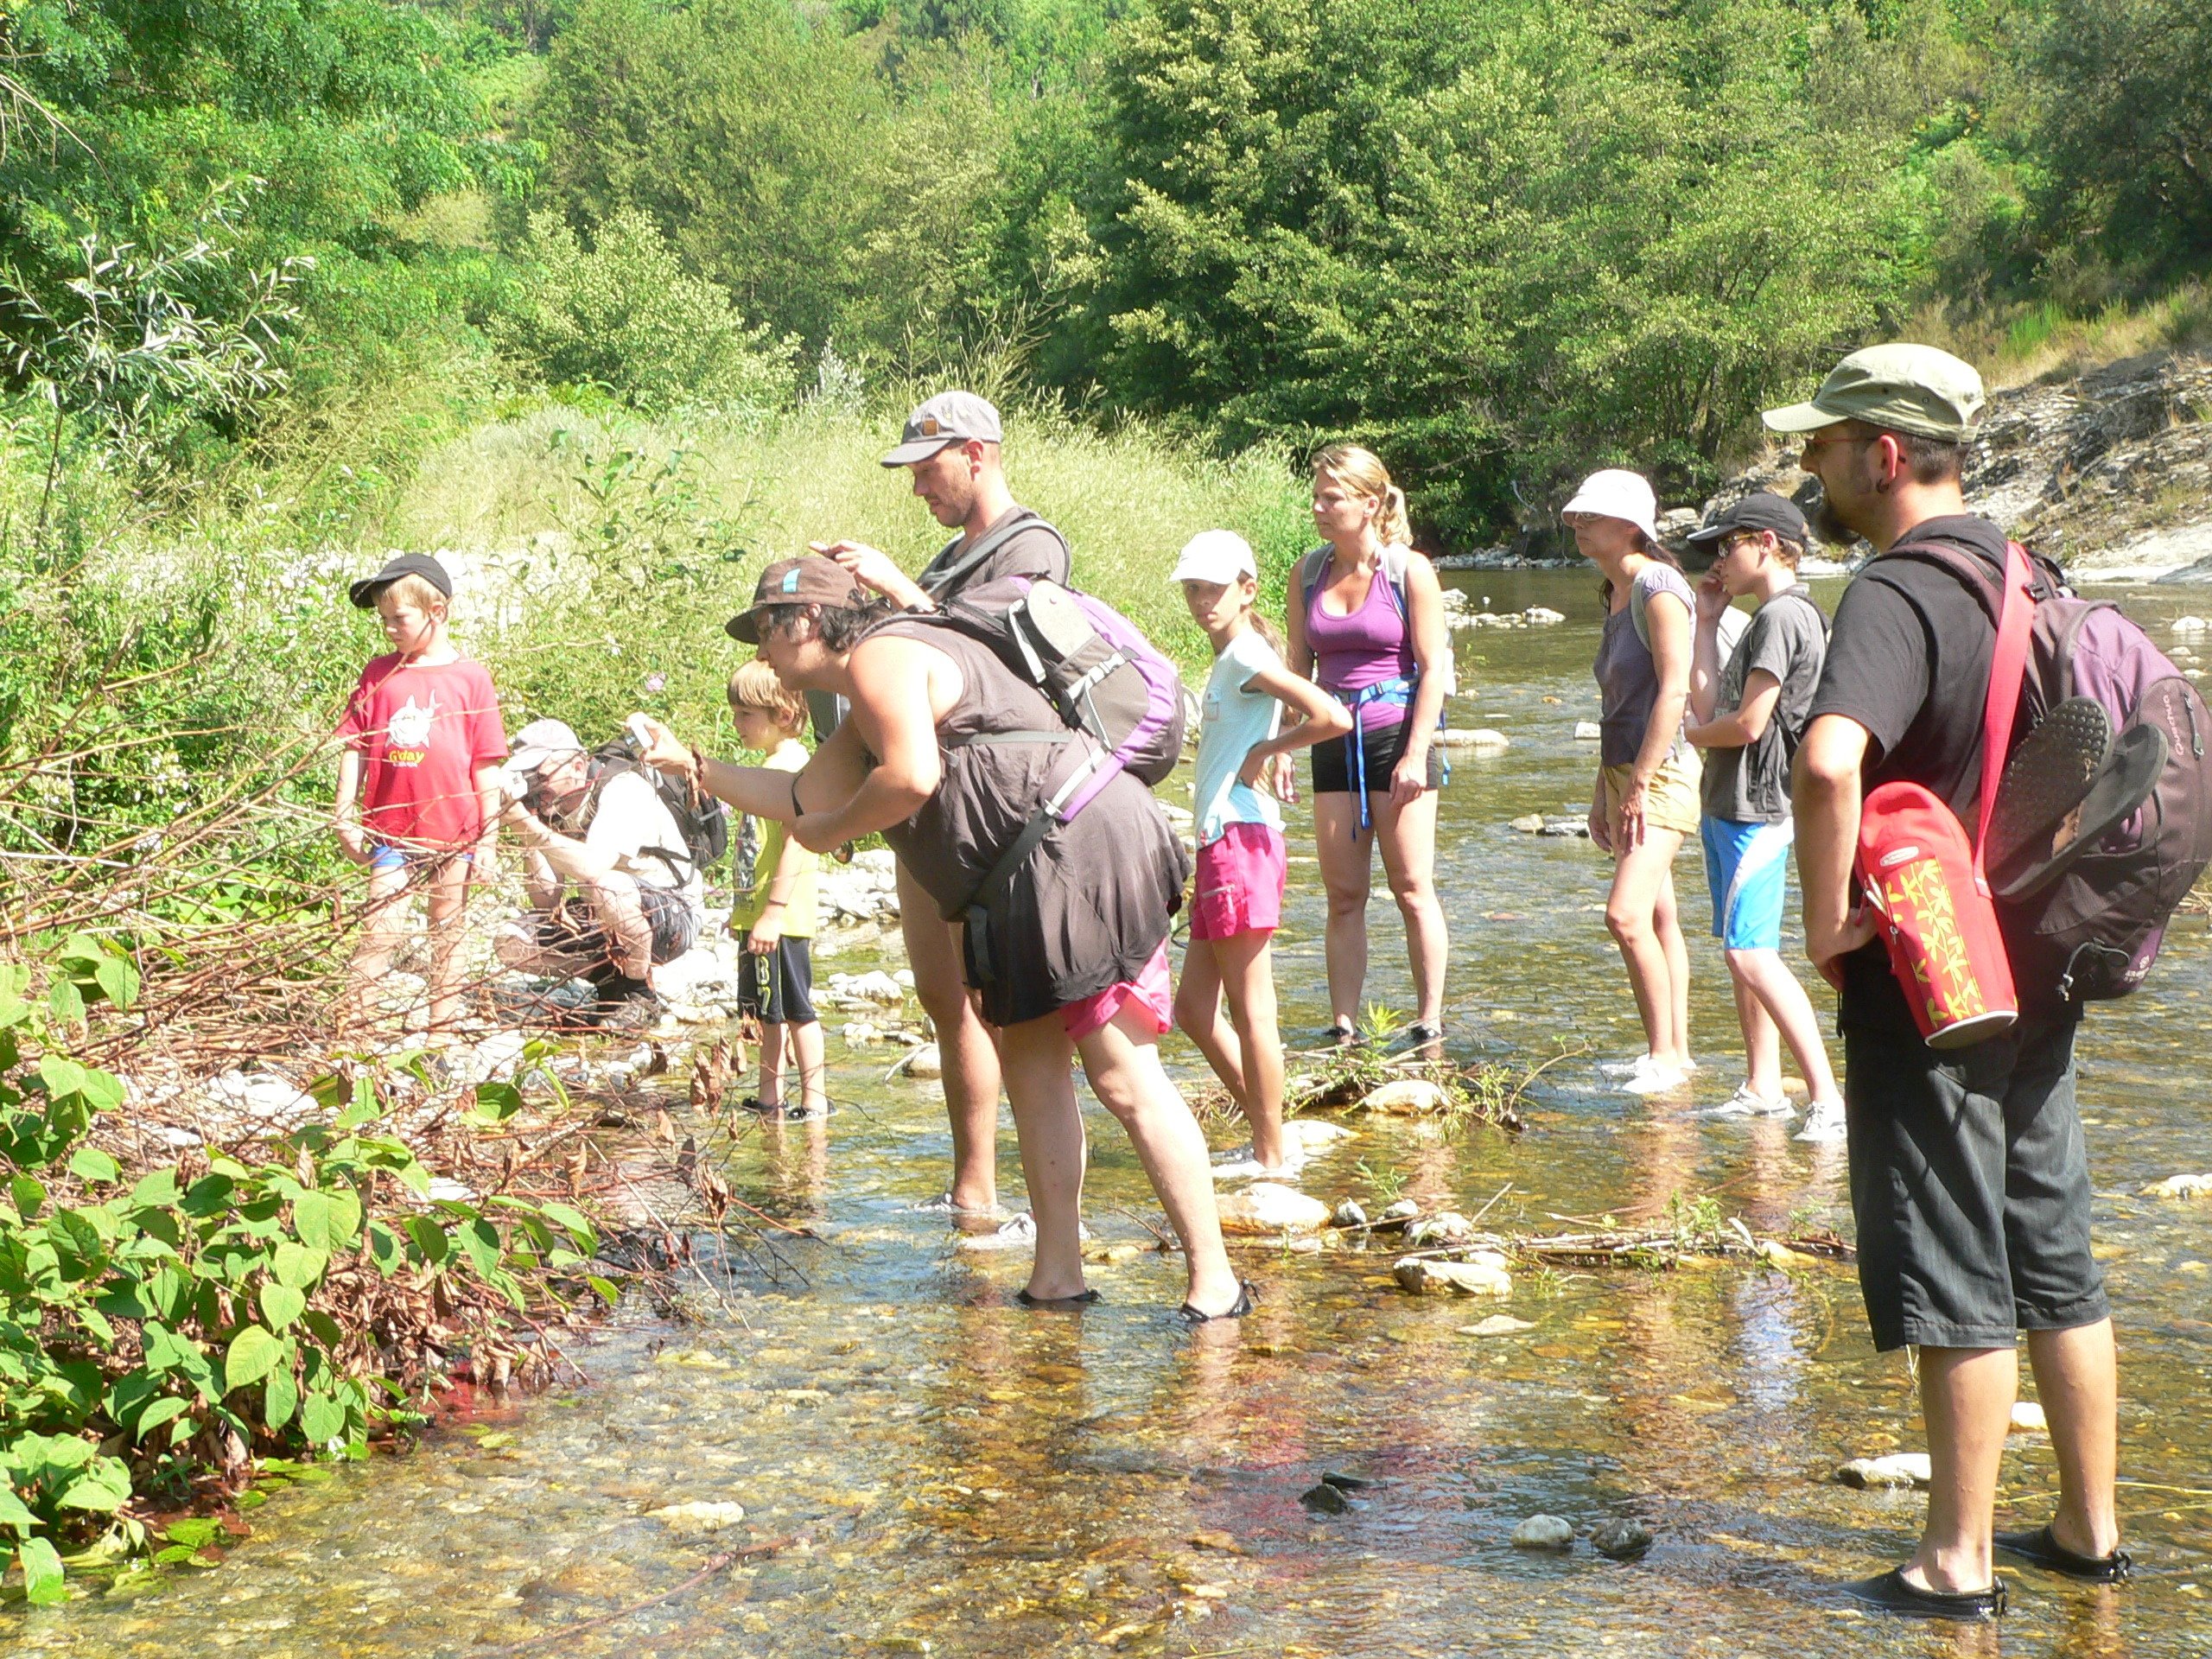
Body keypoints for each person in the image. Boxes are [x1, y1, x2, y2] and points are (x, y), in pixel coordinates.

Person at [637, 556, 1249, 1319]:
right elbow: (796, 794)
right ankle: (1057, 1273)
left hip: (1079, 851)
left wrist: (830, 832)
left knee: (1123, 1076)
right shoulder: (871, 692)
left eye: (765, 629)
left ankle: (1215, 1280)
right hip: (1019, 878)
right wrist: (690, 762)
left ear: (809, 622)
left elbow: (911, 778)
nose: (759, 652)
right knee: (1031, 1071)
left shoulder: (883, 656)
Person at [1782, 343, 2126, 1619]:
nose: (1804, 464)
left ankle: (1956, 1559)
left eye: (1821, 444)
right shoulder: (2027, 572)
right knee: (2054, 1246)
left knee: (1950, 1257)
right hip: (2041, 953)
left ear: (1883, 454)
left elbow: (1828, 765)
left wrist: (1824, 925)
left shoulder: (1894, 591)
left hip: (1931, 973)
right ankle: (2088, 1529)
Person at [799, 391, 1070, 1215]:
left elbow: (1007, 668)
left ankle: (1025, 1201)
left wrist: (895, 589)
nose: (919, 489)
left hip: (991, 817)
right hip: (924, 811)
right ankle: (973, 1188)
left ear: (978, 452)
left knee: (997, 1013)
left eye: (928, 468)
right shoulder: (949, 559)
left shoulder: (1035, 549)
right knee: (945, 1005)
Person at [1167, 531, 1352, 1179]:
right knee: (1191, 1008)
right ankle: (1269, 1127)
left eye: (1213, 589)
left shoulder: (1245, 653)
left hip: (1239, 840)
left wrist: (1266, 754)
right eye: (1192, 589)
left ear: (1247, 591)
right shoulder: (1233, 657)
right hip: (1224, 841)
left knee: (1252, 1011)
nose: (1200, 601)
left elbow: (1332, 716)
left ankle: (1271, 1156)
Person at [1682, 493, 1847, 1142]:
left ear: (1769, 544)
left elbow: (1747, 724)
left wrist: (1688, 737)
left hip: (1760, 807)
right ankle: (1762, 1088)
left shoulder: (1784, 616)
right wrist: (1705, 621)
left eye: (1729, 546)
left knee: (1752, 954)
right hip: (1729, 803)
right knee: (1738, 952)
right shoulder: (1762, 618)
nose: (1720, 560)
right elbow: (1711, 701)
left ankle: (1827, 1098)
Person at [1285, 443, 1451, 1049]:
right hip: (1331, 739)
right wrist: (1283, 745)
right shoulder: (1307, 573)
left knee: (1411, 888)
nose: (1319, 509)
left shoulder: (1409, 571)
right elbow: (1297, 670)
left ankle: (1429, 1019)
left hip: (1397, 734)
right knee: (1343, 894)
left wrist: (1414, 753)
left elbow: (1434, 669)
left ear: (1370, 504)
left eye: (1331, 498)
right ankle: (1344, 1026)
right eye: (1316, 497)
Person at [333, 554, 506, 1033]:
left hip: (455, 832)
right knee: (379, 927)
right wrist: (343, 813)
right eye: (383, 619)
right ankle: (352, 1027)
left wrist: (487, 843)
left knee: (447, 930)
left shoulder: (471, 678)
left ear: (437, 612)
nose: (389, 628)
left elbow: (485, 763)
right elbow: (356, 745)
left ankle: (441, 1030)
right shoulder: (379, 673)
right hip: (391, 829)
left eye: (399, 618)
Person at [1572, 470, 1701, 1093]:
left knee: (1624, 917)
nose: (1578, 524)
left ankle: (1663, 1060)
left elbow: (1674, 690)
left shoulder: (1658, 586)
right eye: (1576, 516)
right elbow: (1616, 702)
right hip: (1627, 769)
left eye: (1590, 517)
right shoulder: (1614, 590)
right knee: (1658, 917)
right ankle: (1676, 1051)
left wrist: (1640, 784)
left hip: (1664, 771)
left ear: (1631, 527)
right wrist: (1604, 789)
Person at [495, 719, 705, 1031]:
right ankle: (609, 985)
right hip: (610, 918)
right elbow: (545, 898)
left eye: (541, 776)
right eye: (529, 778)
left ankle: (639, 995)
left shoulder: (622, 788)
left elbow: (594, 867)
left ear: (578, 766)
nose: (537, 786)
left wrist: (529, 828)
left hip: (671, 914)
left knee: (607, 885)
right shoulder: (553, 808)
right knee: (510, 940)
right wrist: (530, 826)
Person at [726, 660, 826, 1120]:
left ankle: (815, 1099)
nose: (737, 724)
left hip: (781, 917)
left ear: (782, 715)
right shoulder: (769, 765)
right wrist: (746, 912)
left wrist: (773, 912)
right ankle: (771, 1096)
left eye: (745, 714)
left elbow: (796, 842)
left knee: (797, 1009)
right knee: (768, 1010)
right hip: (760, 913)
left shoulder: (789, 768)